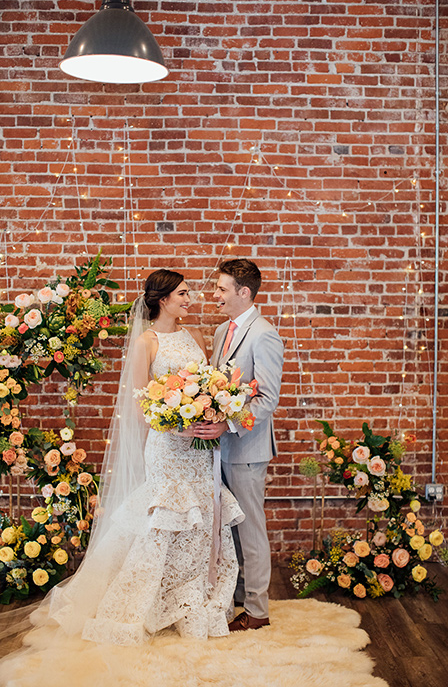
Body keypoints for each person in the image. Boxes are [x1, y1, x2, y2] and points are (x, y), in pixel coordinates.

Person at [0, 269, 244, 685]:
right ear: (163, 299)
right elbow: (139, 406)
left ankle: (189, 599)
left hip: (201, 447)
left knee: (201, 518)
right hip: (167, 447)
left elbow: (209, 385)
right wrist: (177, 424)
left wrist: (210, 412)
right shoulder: (145, 342)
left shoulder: (199, 337)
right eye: (183, 293)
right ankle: (141, 603)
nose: (191, 298)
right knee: (163, 520)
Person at [193, 259, 284, 631]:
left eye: (221, 289)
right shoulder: (221, 331)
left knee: (250, 529)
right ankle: (234, 600)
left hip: (246, 450)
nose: (214, 295)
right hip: (220, 449)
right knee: (227, 530)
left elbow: (268, 399)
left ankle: (258, 612)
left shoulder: (264, 334)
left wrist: (227, 424)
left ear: (243, 293)